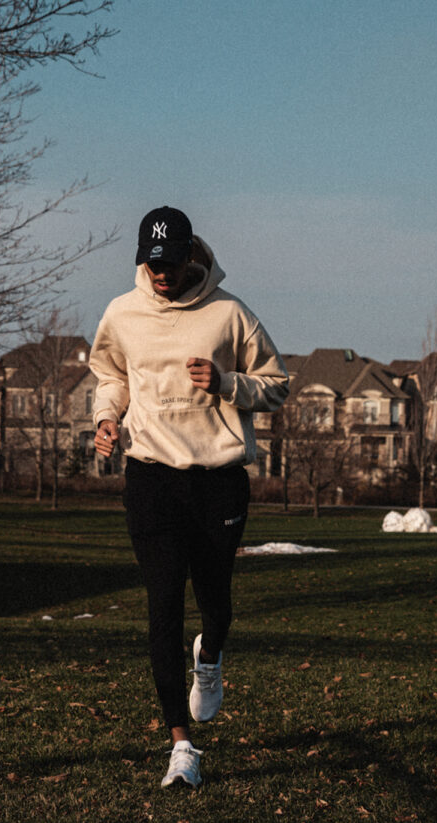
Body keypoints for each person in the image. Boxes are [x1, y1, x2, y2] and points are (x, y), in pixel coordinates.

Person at [91, 206, 288, 789]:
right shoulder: (122, 314)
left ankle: (211, 657)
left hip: (218, 478)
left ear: (190, 257)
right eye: (152, 265)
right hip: (150, 475)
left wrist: (228, 384)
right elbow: (111, 376)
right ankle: (181, 745)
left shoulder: (229, 313)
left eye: (171, 264)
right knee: (161, 608)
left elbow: (277, 387)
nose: (161, 275)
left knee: (216, 603)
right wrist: (107, 417)